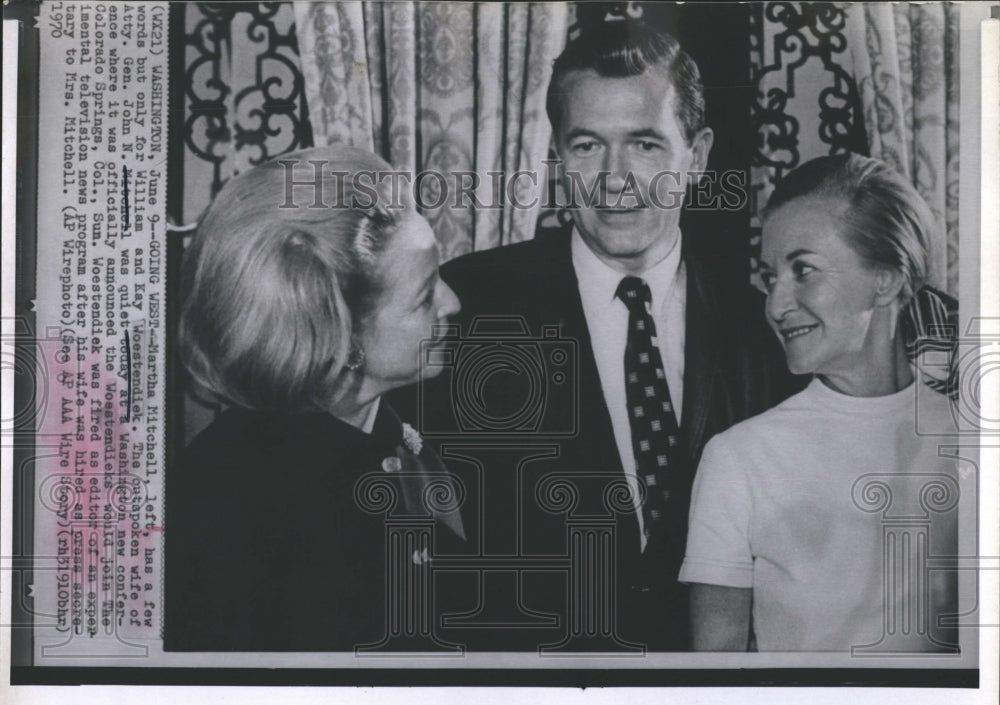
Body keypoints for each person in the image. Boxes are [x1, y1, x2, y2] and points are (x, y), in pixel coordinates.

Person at [400, 21, 802, 652]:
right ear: (558, 155)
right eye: (587, 146)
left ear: (696, 157)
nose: (615, 177)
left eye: (645, 144)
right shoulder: (464, 307)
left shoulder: (764, 331)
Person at [164, 145, 465, 652]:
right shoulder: (232, 502)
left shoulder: (396, 425)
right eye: (424, 294)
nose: (454, 302)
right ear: (338, 338)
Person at [679, 153, 960, 652]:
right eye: (770, 278)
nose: (775, 304)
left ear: (886, 278)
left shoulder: (972, 443)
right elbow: (714, 676)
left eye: (803, 270)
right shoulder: (738, 458)